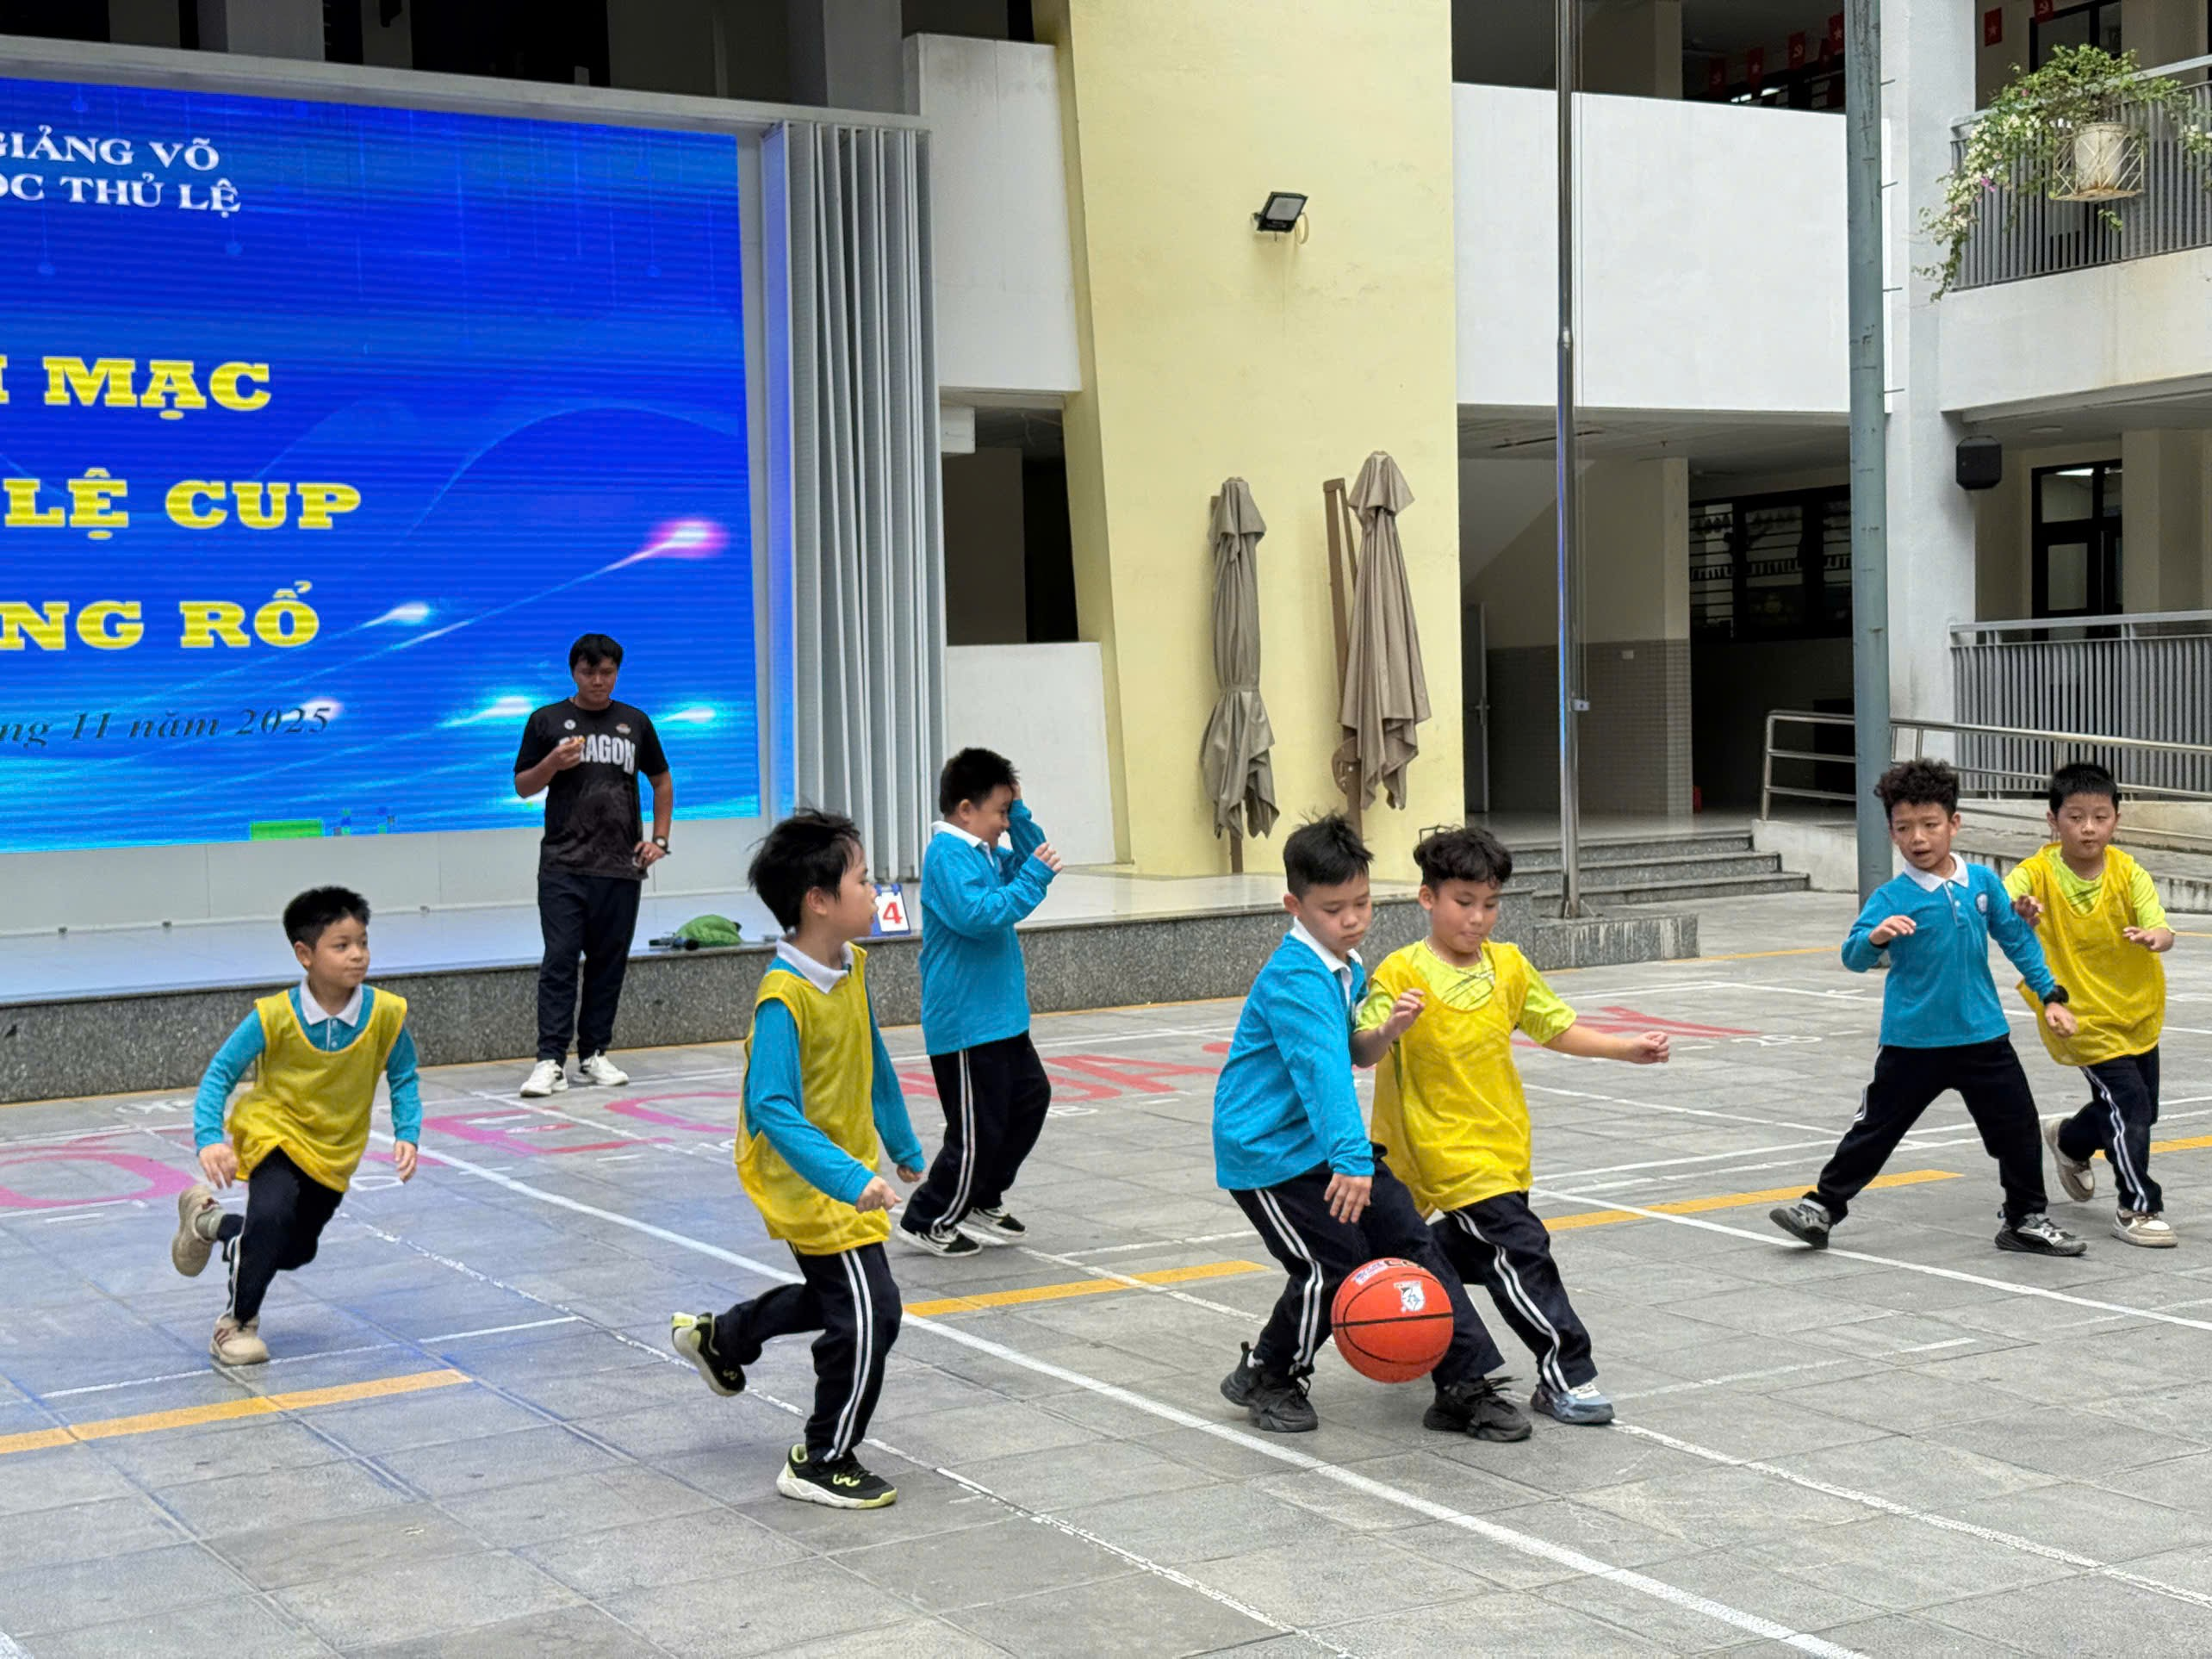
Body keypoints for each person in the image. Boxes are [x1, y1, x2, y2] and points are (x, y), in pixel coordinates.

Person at [1212, 814, 1530, 1442]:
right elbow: (1324, 1075)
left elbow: (1354, 1053)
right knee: (1330, 1264)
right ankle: (1270, 1375)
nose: (1352, 920)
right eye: (1334, 910)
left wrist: (1386, 1031)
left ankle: (1463, 1385)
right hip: (1268, 1152)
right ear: (1295, 907)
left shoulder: (1346, 964)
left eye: (1361, 903)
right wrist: (1353, 1161)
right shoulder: (1296, 979)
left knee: (1413, 1241)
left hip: (1326, 1143)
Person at [1353, 827, 1668, 1428]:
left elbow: (1555, 1026)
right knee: (1522, 1252)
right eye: (1463, 902)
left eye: (1490, 904)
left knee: (1423, 1258)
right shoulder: (1401, 971)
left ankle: (1388, 1324)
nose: (1478, 918)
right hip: (1430, 1151)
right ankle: (1567, 1375)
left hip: (1499, 1150)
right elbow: (1361, 1049)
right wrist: (1390, 1029)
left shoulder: (1508, 966)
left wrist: (1624, 1048)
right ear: (1428, 899)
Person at [671, 811, 927, 1509]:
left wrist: (900, 1142)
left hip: (845, 1172)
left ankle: (724, 1338)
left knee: (837, 1300)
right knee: (872, 1314)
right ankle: (823, 1457)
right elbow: (774, 1109)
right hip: (807, 1182)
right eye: (863, 879)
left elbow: (871, 1057)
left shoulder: (851, 966)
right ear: (818, 900)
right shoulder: (783, 1000)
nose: (875, 891)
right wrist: (850, 1178)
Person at [1770, 759, 2087, 1257]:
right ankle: (1822, 1207)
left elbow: (2017, 939)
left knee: (2018, 1129)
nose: (1917, 838)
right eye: (1904, 828)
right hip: (1912, 1042)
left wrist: (2050, 996)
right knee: (1875, 1129)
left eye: (1930, 824)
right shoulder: (1891, 897)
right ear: (1891, 833)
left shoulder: (1982, 883)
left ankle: (2025, 1219)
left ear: (1954, 824)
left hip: (1983, 1036)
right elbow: (1853, 956)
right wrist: (1875, 937)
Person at [170, 887, 420, 1365]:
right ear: (305, 954)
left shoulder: (386, 1014)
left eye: (363, 942)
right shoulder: (274, 1016)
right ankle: (236, 1323)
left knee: (292, 1251)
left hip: (333, 1151)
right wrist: (209, 1139)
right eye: (342, 945)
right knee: (271, 1216)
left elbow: (404, 1074)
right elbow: (220, 1074)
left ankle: (207, 1221)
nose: (358, 955)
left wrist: (408, 1132)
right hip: (274, 1134)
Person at [2006, 761, 2178, 1247]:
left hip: (2136, 1009)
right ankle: (2137, 1207)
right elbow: (1999, 907)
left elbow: (2161, 927)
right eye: (2076, 817)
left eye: (2100, 817)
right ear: (2053, 820)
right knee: (2129, 1104)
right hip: (2079, 1016)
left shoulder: (2128, 872)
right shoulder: (2034, 873)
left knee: (2142, 1111)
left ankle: (2070, 1139)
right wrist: (2019, 913)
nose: (2088, 828)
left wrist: (2156, 937)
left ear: (2116, 820)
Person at [900, 748, 1062, 1258]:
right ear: (966, 810)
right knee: (977, 1130)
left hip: (1002, 1018)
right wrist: (1032, 879)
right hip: (968, 1023)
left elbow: (1031, 858)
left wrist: (1020, 812)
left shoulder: (983, 850)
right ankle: (929, 1216)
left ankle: (981, 1194)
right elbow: (978, 914)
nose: (1004, 824)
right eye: (1000, 812)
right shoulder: (948, 855)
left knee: (1030, 1100)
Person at [513, 632, 673, 1098]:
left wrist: (660, 840)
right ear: (574, 672)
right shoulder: (546, 720)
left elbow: (662, 781)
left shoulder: (635, 722)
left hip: (621, 864)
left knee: (608, 962)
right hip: (563, 863)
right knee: (560, 958)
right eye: (589, 672)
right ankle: (550, 1060)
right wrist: (552, 763)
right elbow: (523, 786)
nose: (598, 681)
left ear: (616, 673)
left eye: (607, 672)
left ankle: (594, 1054)